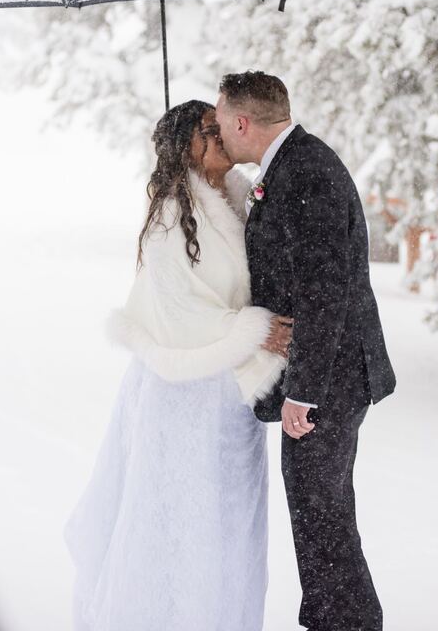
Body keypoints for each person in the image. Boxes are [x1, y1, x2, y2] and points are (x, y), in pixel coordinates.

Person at [63, 100, 291, 631]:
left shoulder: (235, 200)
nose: (219, 134)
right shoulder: (171, 216)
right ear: (183, 148)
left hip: (230, 403)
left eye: (219, 125)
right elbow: (178, 313)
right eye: (207, 130)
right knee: (179, 526)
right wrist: (254, 330)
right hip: (181, 400)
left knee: (229, 530)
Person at [215, 71, 397, 631]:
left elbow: (325, 290)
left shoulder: (307, 172)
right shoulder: (290, 165)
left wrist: (305, 392)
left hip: (331, 381)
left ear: (241, 122)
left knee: (324, 520)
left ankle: (347, 622)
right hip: (328, 375)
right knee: (319, 518)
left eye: (219, 121)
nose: (217, 132)